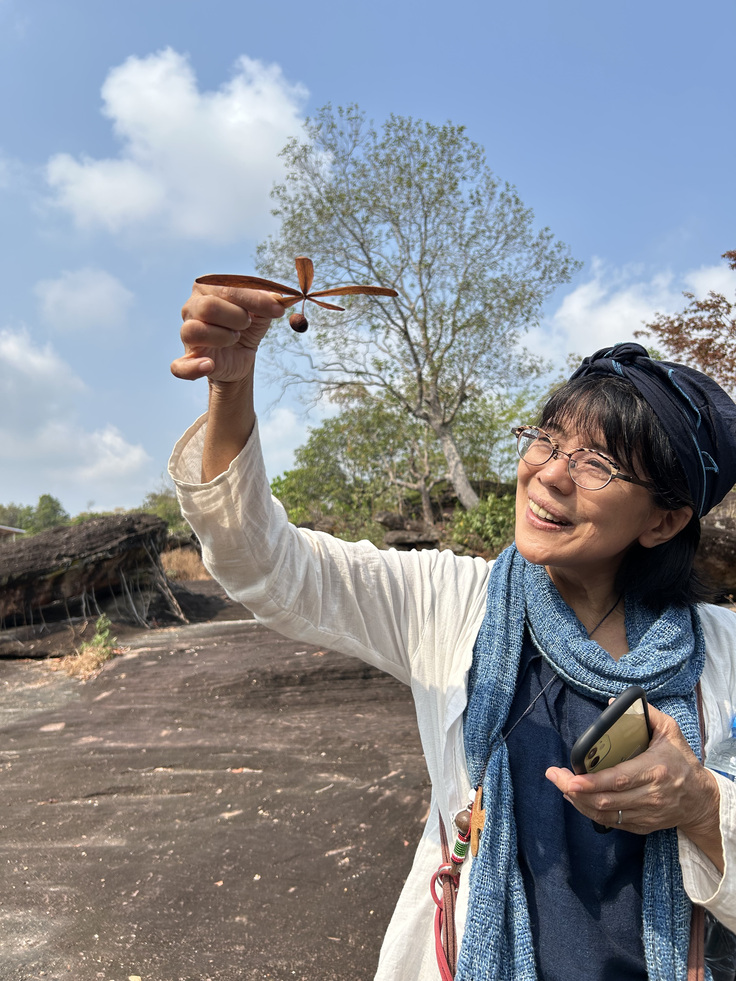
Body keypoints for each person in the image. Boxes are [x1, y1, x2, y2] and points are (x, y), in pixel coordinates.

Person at [169, 280, 736, 981]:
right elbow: (269, 565)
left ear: (664, 519)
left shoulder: (720, 652)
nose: (549, 474)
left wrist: (703, 805)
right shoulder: (450, 600)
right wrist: (231, 386)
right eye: (547, 439)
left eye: (596, 463)